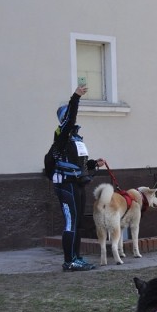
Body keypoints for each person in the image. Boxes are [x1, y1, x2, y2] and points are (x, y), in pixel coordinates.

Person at [50, 85, 106, 272]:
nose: (73, 119)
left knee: (78, 222)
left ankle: (77, 257)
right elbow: (70, 118)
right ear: (64, 118)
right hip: (66, 185)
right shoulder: (62, 135)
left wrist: (92, 164)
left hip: (77, 183)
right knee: (70, 222)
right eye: (68, 116)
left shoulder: (75, 138)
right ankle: (69, 261)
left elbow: (76, 162)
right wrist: (76, 97)